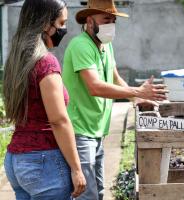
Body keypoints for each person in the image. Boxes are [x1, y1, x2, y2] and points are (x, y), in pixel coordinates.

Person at [62, 0, 167, 199]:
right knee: (87, 194)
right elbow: (95, 87)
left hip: (98, 130)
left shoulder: (105, 46)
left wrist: (136, 98)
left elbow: (115, 78)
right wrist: (138, 91)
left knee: (98, 191)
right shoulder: (80, 46)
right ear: (90, 21)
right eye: (106, 19)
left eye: (113, 20)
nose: (111, 24)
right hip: (79, 131)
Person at [3, 0, 86, 199]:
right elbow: (58, 120)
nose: (64, 29)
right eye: (61, 23)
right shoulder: (46, 63)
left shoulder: (16, 60)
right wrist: (76, 169)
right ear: (44, 25)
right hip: (44, 161)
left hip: (16, 161)